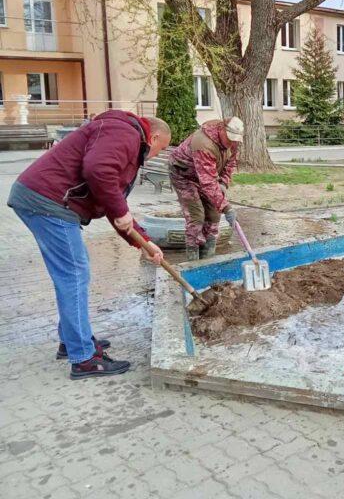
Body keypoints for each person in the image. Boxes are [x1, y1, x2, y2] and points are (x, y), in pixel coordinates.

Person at [7, 111, 171, 378]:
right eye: (161, 149)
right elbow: (98, 171)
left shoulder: (120, 133)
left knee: (71, 275)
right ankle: (84, 358)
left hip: (44, 199)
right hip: (48, 202)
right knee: (74, 274)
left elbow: (110, 198)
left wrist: (144, 242)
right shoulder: (126, 133)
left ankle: (71, 339)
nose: (156, 155)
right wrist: (121, 211)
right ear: (153, 137)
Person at [169, 117, 242, 260]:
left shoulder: (233, 143)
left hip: (208, 176)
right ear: (222, 130)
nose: (231, 143)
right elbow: (207, 183)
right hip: (184, 175)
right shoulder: (203, 143)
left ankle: (208, 258)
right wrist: (227, 208)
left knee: (214, 215)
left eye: (235, 139)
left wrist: (223, 183)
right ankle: (193, 261)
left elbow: (230, 164)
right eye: (230, 138)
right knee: (196, 217)